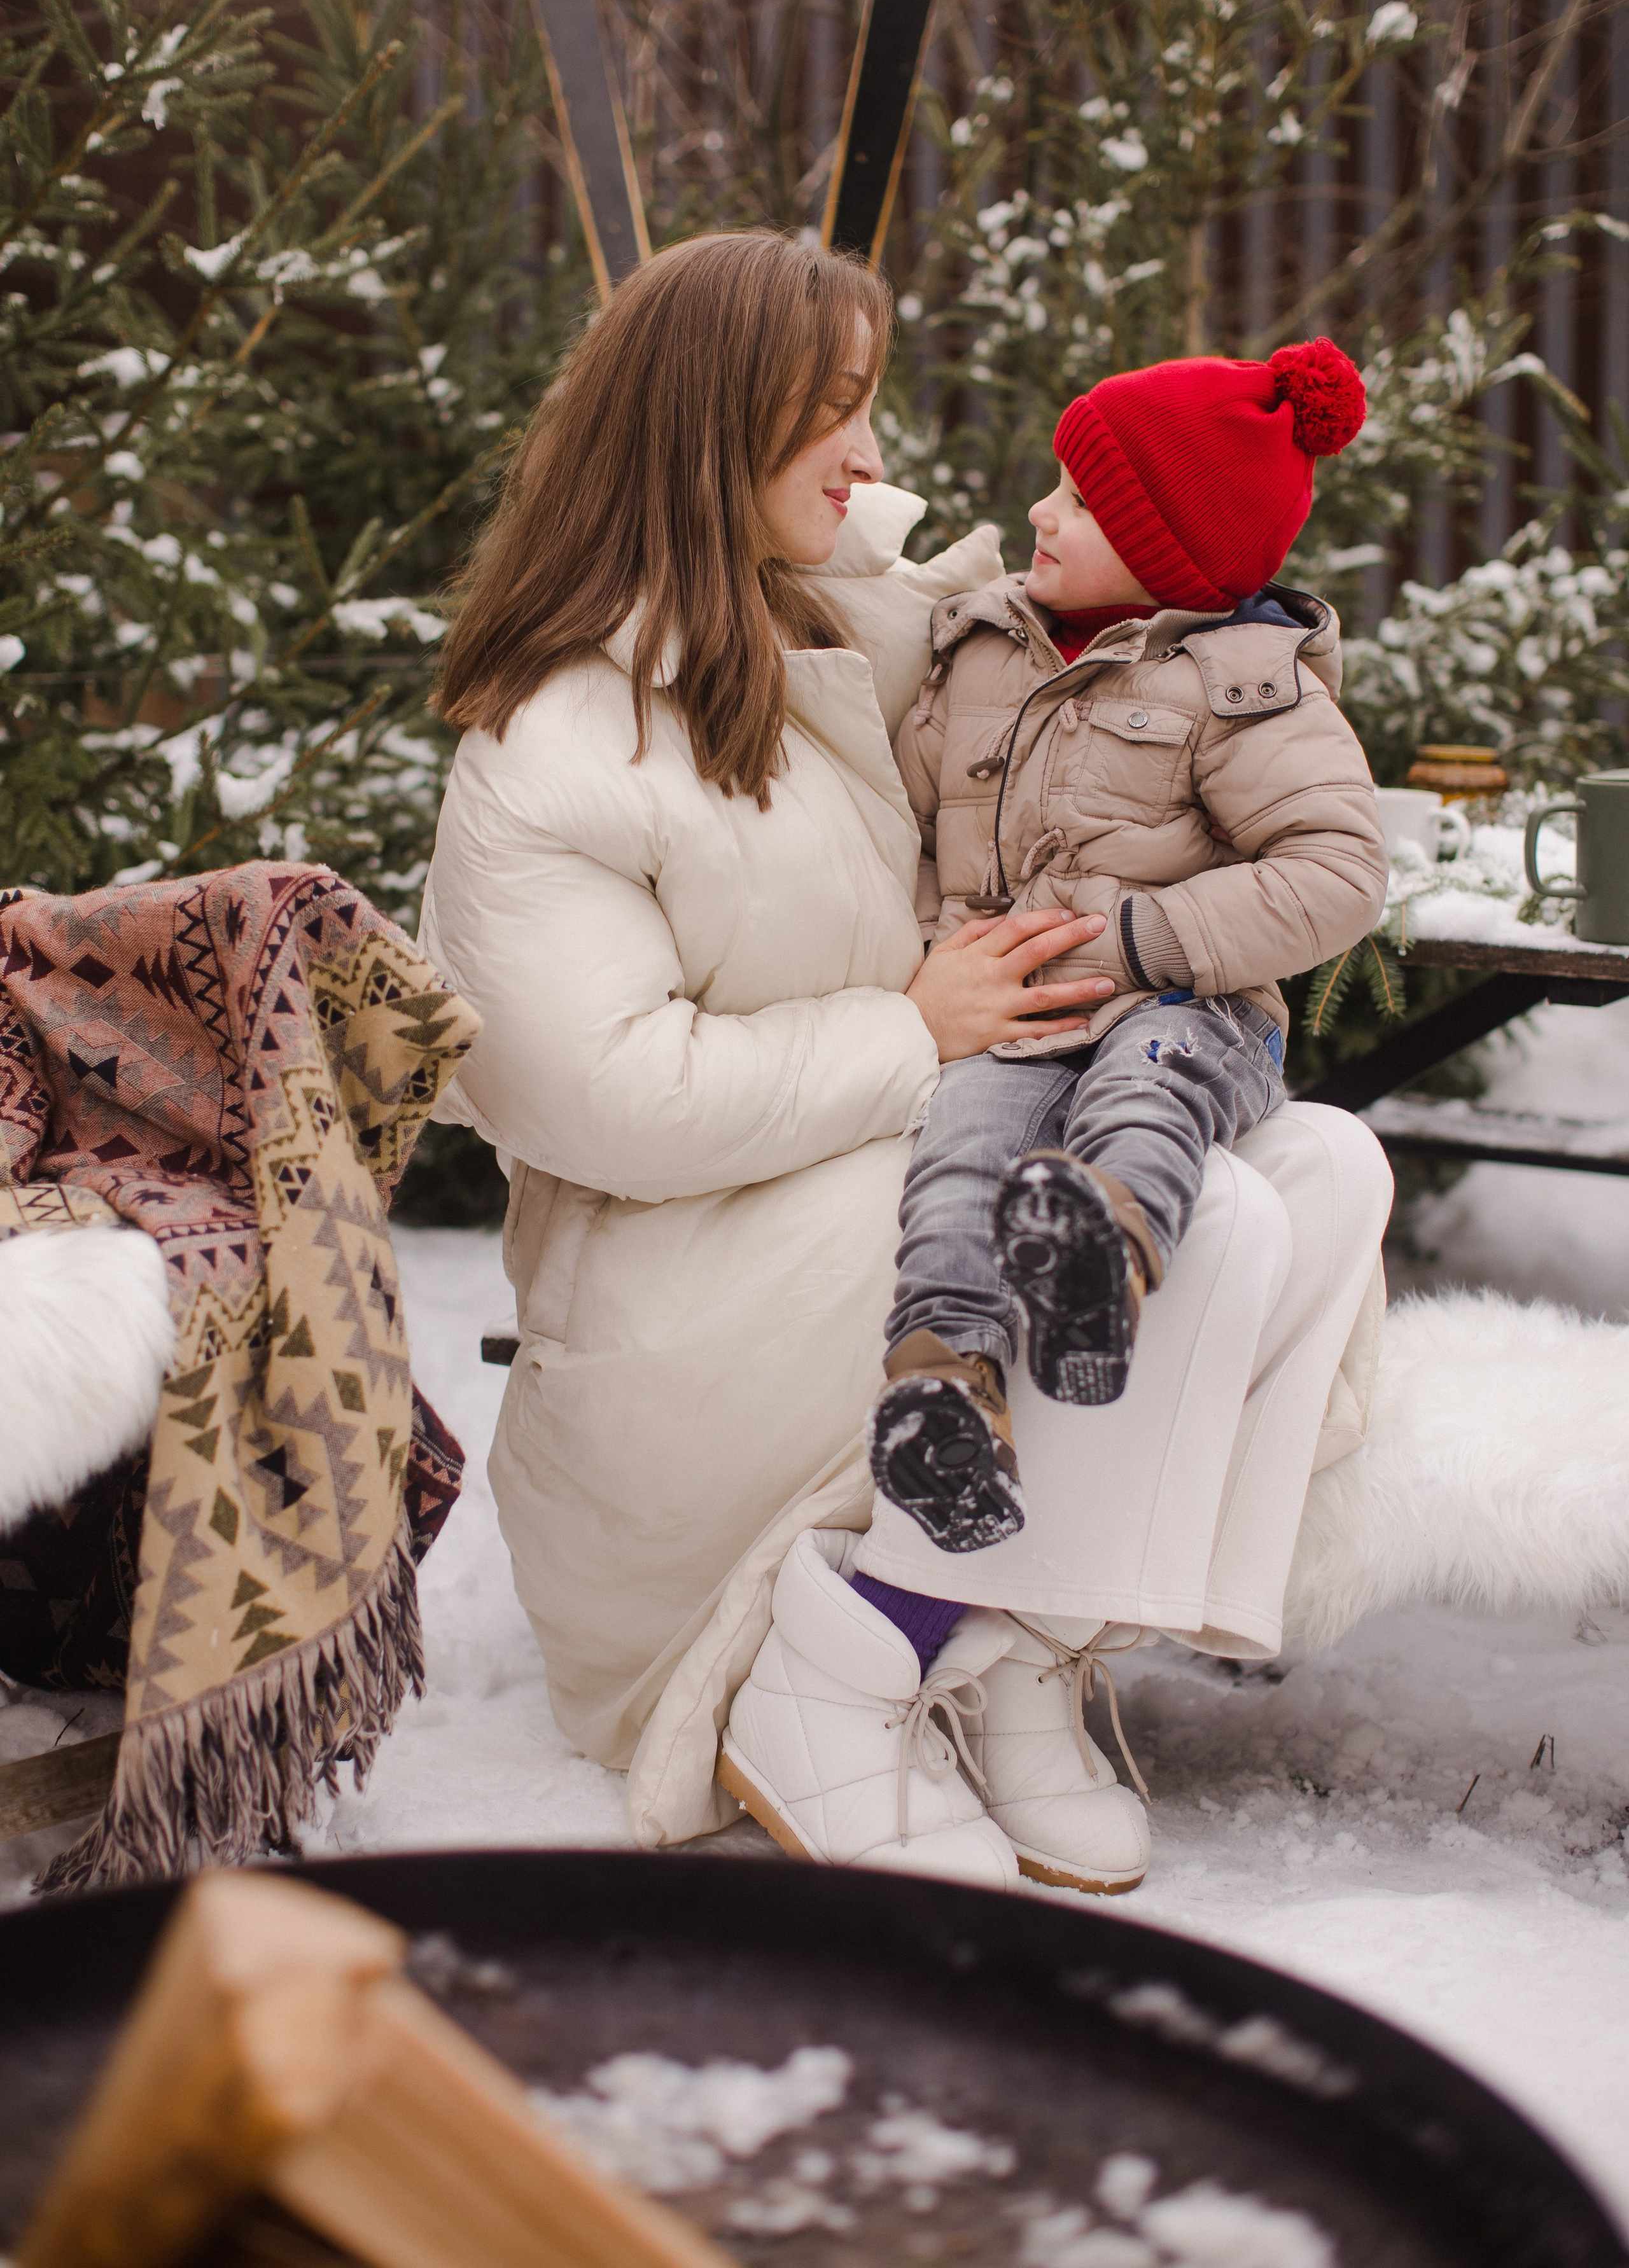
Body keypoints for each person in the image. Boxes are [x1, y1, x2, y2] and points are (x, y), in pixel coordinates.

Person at [420, 232, 1394, 1902]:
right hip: (688, 1320)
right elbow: (591, 1099)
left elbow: (1124, 599)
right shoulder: (554, 741)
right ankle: (860, 1657)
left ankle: (1009, 1634)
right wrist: (913, 1027)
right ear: (712, 438)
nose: (877, 459)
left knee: (1324, 1169)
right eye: (838, 418)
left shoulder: (861, 617)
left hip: (874, 1210)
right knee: (1201, 1222)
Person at [861, 343, 1390, 1566]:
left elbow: (1337, 871)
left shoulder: (1247, 685)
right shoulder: (982, 653)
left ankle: (1101, 1257)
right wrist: (932, 959)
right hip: (1016, 1011)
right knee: (963, 1154)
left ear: (1175, 546)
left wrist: (1150, 936)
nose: (1042, 514)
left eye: (1085, 501)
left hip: (1184, 1005)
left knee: (1150, 1088)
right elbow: (908, 825)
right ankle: (945, 1394)